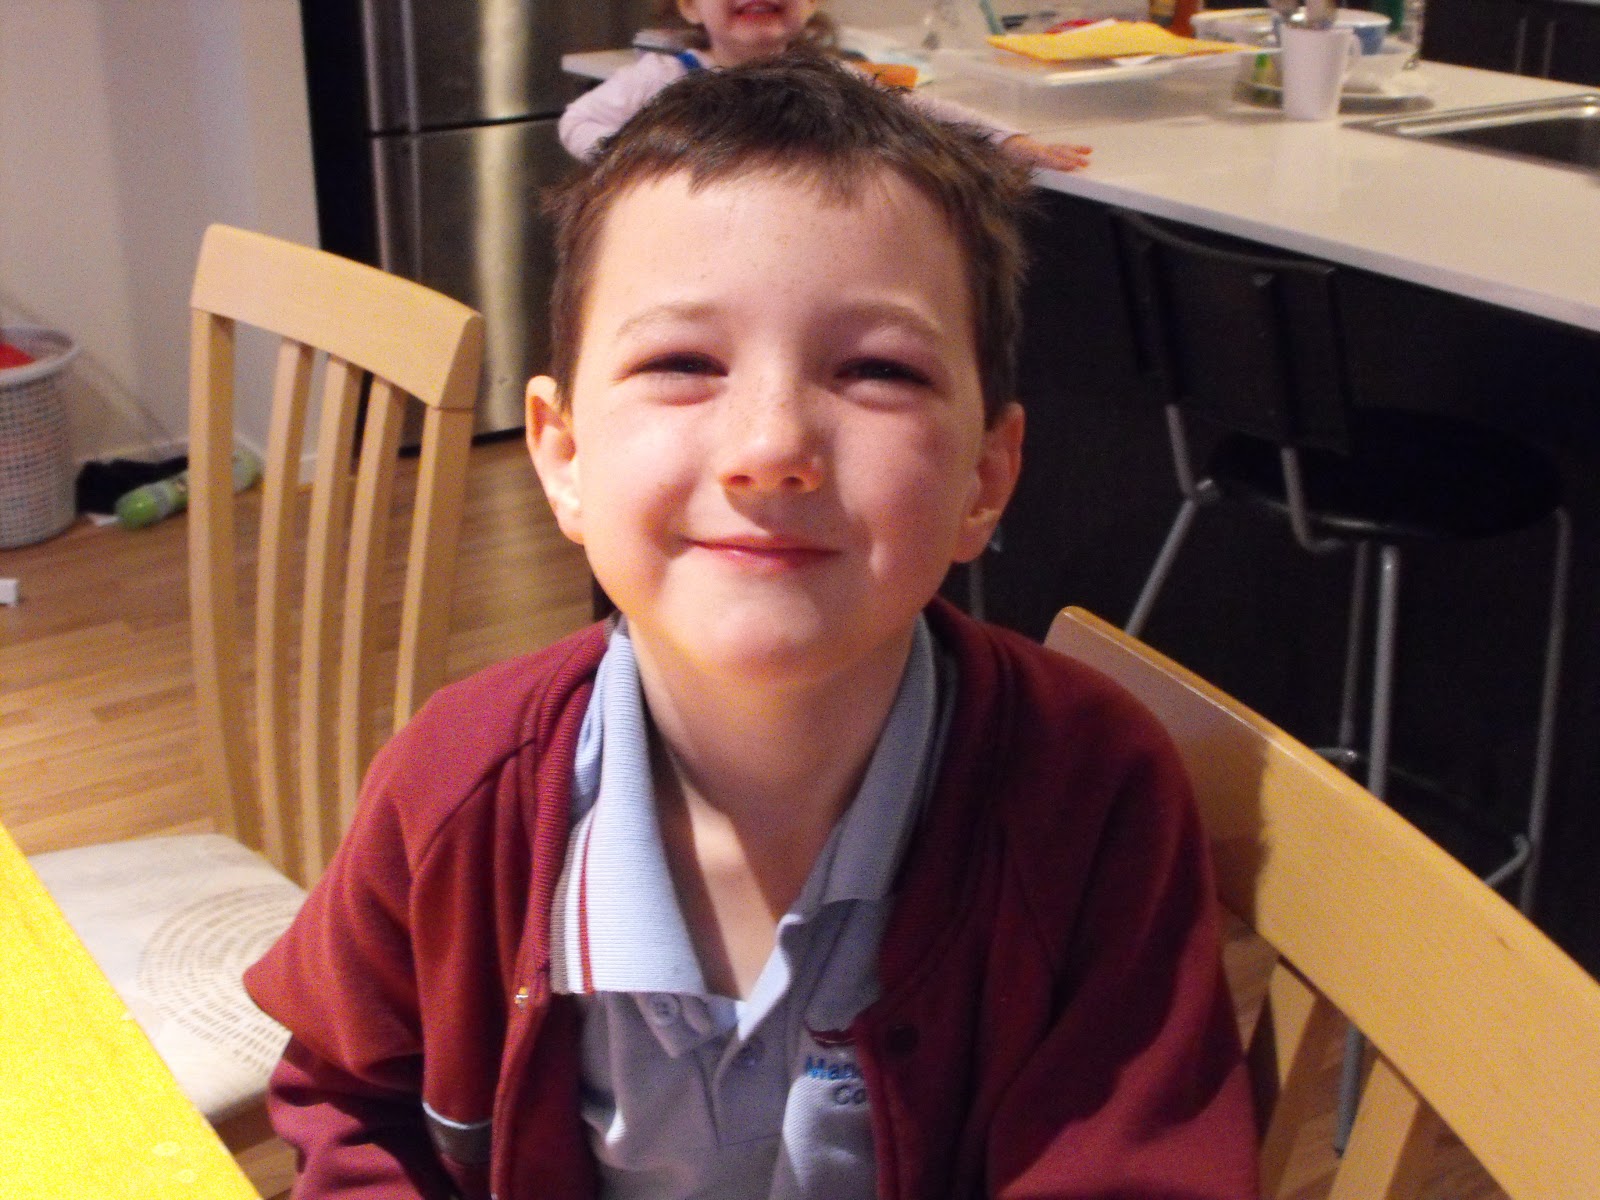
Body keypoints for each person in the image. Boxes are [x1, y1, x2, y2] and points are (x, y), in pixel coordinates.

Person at [244, 53, 1255, 1200]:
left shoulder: (1092, 792)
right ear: (563, 457)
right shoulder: (454, 784)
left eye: (876, 370)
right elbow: (354, 1099)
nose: (771, 448)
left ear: (985, 476)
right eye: (682, 362)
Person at [559, 0, 1091, 171]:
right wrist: (636, 163)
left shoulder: (827, 76)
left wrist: (1008, 140)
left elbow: (922, 110)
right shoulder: (663, 76)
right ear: (690, 6)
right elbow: (580, 121)